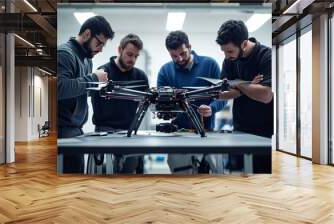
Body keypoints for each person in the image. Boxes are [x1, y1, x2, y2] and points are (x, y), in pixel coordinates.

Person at [157, 30, 226, 174]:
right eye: (174, 56)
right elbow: (160, 103)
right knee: (180, 178)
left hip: (208, 133)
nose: (179, 59)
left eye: (182, 53)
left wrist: (211, 108)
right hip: (178, 135)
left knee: (214, 176)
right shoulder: (165, 71)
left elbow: (222, 96)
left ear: (189, 46)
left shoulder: (210, 65)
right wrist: (166, 111)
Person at [57, 16, 114, 173]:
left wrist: (98, 88)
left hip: (76, 129)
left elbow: (80, 90)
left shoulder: (87, 60)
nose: (101, 49)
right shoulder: (64, 53)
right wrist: (94, 78)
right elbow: (59, 88)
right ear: (87, 34)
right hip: (64, 130)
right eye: (99, 43)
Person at [216, 20, 273, 173]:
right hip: (240, 129)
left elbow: (266, 95)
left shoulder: (266, 56)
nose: (226, 56)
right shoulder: (229, 60)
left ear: (244, 44)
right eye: (224, 51)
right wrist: (248, 85)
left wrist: (238, 84)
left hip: (265, 133)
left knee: (263, 178)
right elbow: (221, 94)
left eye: (229, 51)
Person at [90, 34, 149, 173]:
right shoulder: (103, 73)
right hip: (104, 132)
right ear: (119, 49)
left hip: (129, 133)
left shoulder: (141, 77)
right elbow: (95, 103)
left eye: (136, 56)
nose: (132, 59)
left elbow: (146, 104)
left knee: (129, 177)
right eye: (129, 54)